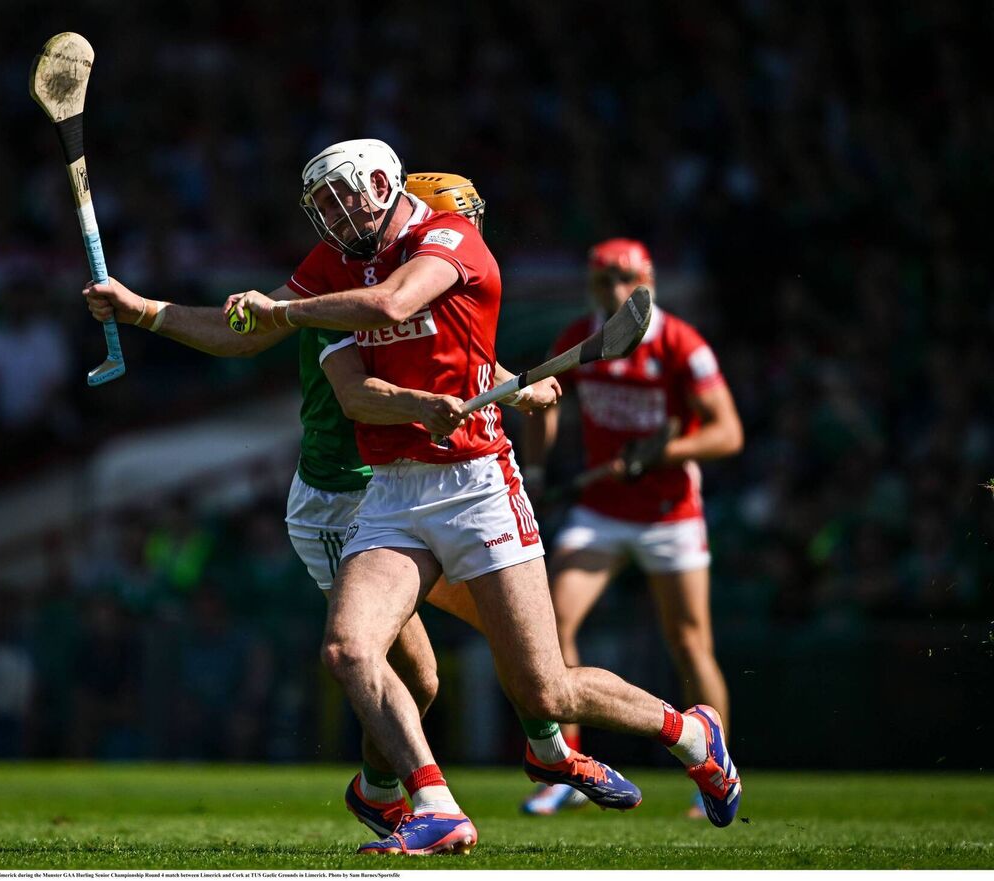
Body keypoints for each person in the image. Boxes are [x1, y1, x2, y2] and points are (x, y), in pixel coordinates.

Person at [226, 139, 742, 854]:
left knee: (547, 691)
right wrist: (416, 402)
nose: (337, 216)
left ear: (384, 185)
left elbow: (393, 302)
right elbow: (354, 395)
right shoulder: (330, 273)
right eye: (325, 206)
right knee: (348, 648)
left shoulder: (447, 239)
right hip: (394, 493)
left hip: (476, 486)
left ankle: (692, 732)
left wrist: (286, 314)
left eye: (347, 196)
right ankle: (434, 804)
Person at [82, 164, 591, 842]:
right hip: (344, 497)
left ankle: (433, 777)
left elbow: (446, 354)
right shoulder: (345, 282)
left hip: (410, 490)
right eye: (456, 219)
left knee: (511, 653)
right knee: (414, 672)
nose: (464, 236)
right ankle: (423, 787)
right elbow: (260, 338)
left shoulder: (425, 275)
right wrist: (142, 309)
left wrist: (512, 386)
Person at [518, 238, 745, 817]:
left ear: (648, 281)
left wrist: (656, 458)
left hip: (671, 514)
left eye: (627, 280)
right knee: (553, 629)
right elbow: (546, 402)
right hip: (601, 512)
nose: (616, 292)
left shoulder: (680, 345)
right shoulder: (579, 338)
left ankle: (712, 773)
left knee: (691, 643)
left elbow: (727, 434)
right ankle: (567, 768)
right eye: (604, 281)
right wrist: (538, 470)